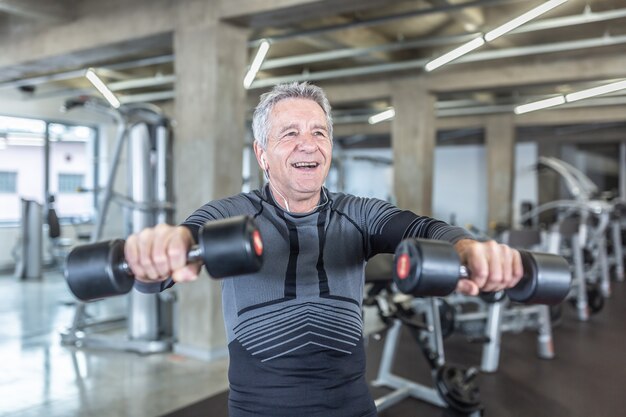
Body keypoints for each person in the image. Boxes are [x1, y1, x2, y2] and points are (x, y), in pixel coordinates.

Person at [126, 82, 523, 417]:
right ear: (262, 154)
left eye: (319, 133)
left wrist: (469, 249)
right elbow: (180, 246)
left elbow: (422, 228)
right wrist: (157, 254)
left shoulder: (358, 214)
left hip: (353, 406)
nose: (308, 145)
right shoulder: (232, 214)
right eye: (290, 133)